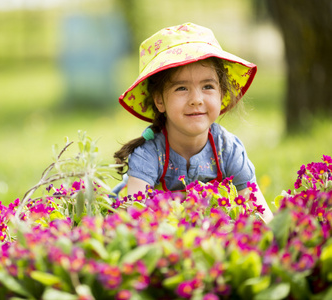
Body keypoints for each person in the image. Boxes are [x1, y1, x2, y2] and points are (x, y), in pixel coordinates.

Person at [113, 23, 273, 223]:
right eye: (181, 88)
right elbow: (136, 220)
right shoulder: (148, 155)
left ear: (222, 93)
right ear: (159, 100)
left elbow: (261, 213)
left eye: (208, 86)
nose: (196, 99)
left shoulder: (229, 150)